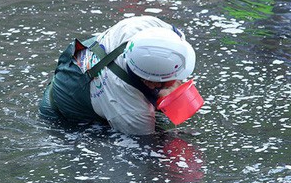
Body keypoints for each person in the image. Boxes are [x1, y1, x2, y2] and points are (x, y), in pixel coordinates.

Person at [39, 16, 196, 135]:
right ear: (150, 83)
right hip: (62, 111)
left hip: (80, 63)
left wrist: (166, 87)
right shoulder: (130, 110)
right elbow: (144, 148)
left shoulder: (150, 27)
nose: (178, 81)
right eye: (170, 81)